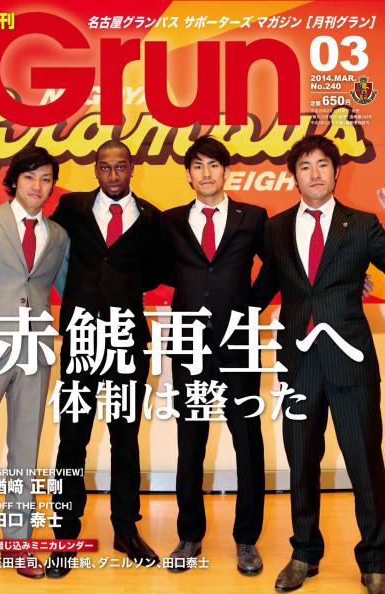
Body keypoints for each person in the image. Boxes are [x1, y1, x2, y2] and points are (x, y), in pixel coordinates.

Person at [252, 135, 385, 594]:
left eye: (322, 164)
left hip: (350, 362)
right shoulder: (276, 228)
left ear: (336, 171)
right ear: (294, 176)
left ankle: (375, 559)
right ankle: (304, 553)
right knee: (302, 463)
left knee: (365, 464)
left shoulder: (363, 224)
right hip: (298, 362)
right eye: (305, 166)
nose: (314, 173)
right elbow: (262, 288)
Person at [46, 140, 161, 577]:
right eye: (105, 167)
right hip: (81, 338)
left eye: (121, 167)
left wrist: (120, 289)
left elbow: (157, 272)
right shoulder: (72, 208)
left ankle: (125, 529)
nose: (113, 175)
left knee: (125, 439)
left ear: (133, 169)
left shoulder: (151, 218)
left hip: (127, 340)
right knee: (72, 438)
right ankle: (64, 534)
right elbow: (45, 244)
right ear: (96, 170)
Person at [161, 136, 267, 574]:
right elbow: (150, 267)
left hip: (238, 342)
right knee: (191, 440)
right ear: (188, 175)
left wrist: (249, 306)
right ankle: (189, 536)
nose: (206, 173)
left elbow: (280, 265)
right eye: (198, 166)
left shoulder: (253, 218)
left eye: (214, 165)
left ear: (226, 172)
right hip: (189, 344)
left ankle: (247, 540)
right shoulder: (170, 221)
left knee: (247, 441)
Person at [0, 146, 69, 579]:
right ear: (14, 182)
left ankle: (18, 544)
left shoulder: (59, 236)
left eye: (46, 179)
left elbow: (71, 288)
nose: (37, 186)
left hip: (34, 350)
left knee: (25, 453)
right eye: (30, 177)